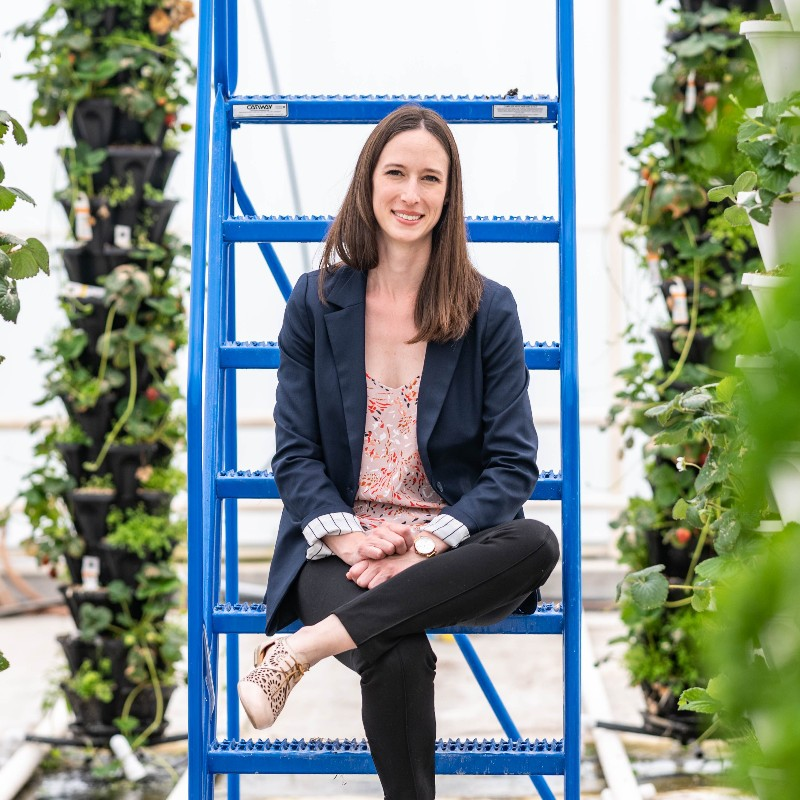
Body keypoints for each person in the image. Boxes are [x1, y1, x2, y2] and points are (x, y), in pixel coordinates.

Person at [238, 104, 560, 800]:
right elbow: (294, 454)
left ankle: (297, 651)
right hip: (338, 553)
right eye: (396, 173)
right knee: (398, 653)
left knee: (536, 542)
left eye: (430, 179)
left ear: (450, 194)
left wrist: (424, 546)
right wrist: (352, 539)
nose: (411, 194)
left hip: (447, 552)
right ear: (368, 181)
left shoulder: (487, 310)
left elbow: (513, 467)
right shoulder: (315, 301)